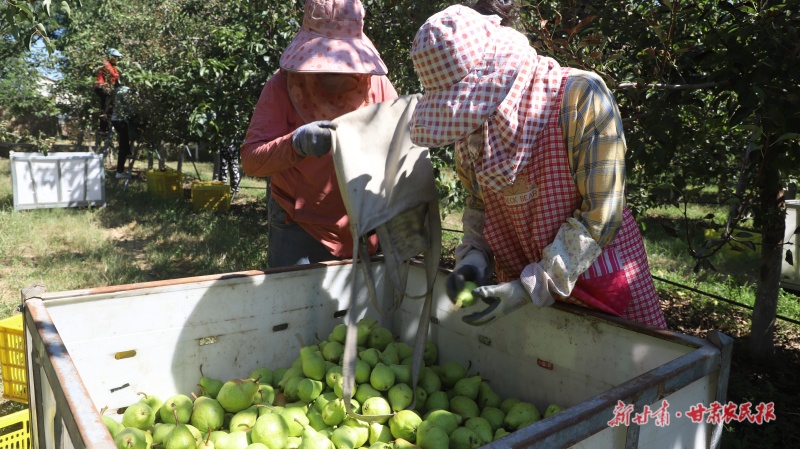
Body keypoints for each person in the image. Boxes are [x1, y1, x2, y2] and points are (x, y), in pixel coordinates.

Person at [409, 4, 667, 328]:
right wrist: (474, 257)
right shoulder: (472, 134)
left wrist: (527, 287)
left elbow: (601, 215)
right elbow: (480, 205)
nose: (469, 122)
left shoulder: (580, 98)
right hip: (519, 293)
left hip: (601, 286)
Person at [241, 0, 398, 268]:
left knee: (355, 307)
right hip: (299, 225)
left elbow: (400, 149)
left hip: (363, 223)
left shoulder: (377, 84)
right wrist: (296, 144)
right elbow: (252, 160)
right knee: (297, 305)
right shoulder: (282, 85)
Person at [94, 48, 123, 137]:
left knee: (109, 107)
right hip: (102, 87)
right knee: (106, 108)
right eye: (115, 57)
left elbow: (116, 79)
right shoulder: (106, 63)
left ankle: (106, 126)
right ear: (111, 57)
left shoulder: (114, 67)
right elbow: (113, 75)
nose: (117, 59)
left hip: (107, 88)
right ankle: (103, 129)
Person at [110, 85, 134, 179]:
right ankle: (119, 172)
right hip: (121, 120)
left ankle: (127, 150)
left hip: (115, 119)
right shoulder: (127, 90)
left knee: (124, 142)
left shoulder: (116, 90)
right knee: (123, 146)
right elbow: (131, 106)